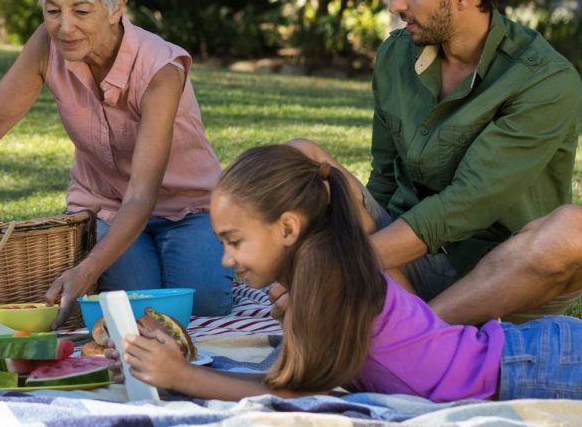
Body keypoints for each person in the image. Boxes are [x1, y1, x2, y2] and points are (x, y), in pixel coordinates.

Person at [281, 0, 582, 326]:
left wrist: (342, 265)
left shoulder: (544, 81)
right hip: (404, 263)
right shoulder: (395, 55)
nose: (395, 4)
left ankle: (424, 339)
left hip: (505, 277)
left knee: (574, 231)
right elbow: (383, 182)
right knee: (298, 160)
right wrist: (352, 248)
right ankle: (409, 325)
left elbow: (466, 204)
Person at [121, 144, 582, 403]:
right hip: (527, 356)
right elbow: (291, 377)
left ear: (286, 228)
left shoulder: (326, 273)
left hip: (532, 365)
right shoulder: (316, 266)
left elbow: (294, 391)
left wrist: (182, 377)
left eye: (234, 240)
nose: (226, 259)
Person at [0, 0, 233, 325]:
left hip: (187, 207)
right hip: (104, 207)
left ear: (117, 6)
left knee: (203, 306)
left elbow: (142, 195)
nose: (65, 28)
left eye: (81, 11)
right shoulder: (47, 46)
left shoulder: (161, 70)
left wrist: (87, 269)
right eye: (53, 11)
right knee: (135, 309)